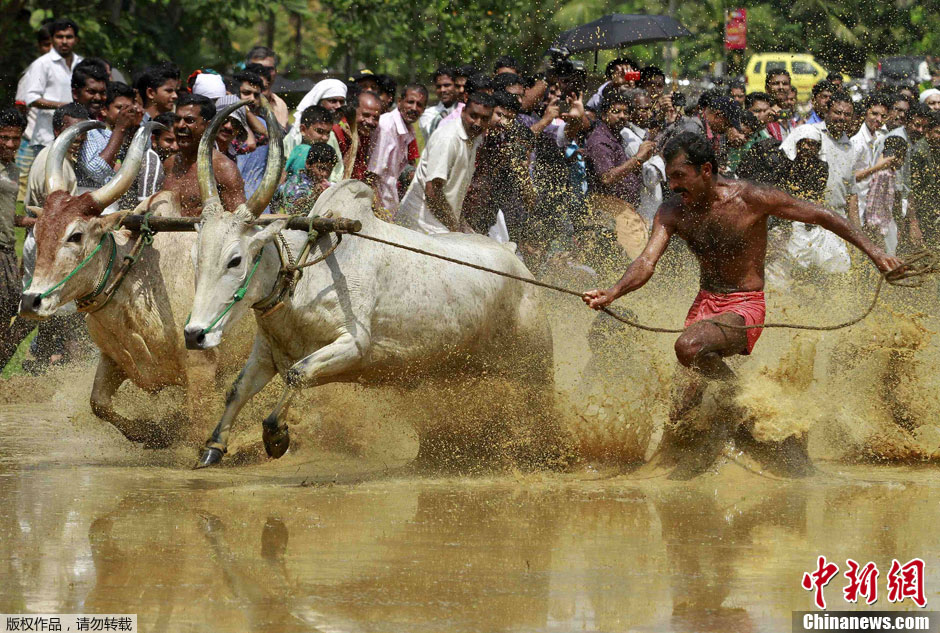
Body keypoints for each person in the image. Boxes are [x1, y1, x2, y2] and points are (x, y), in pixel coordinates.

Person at [582, 131, 901, 478]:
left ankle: (744, 408)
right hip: (703, 305)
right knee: (681, 407)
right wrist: (612, 292)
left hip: (744, 305)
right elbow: (646, 263)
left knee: (688, 346)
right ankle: (679, 467)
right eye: (670, 177)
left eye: (678, 176)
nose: (672, 185)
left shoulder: (751, 198)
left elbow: (822, 216)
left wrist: (878, 253)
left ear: (705, 170)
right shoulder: (672, 210)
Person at [397, 92, 494, 234]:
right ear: (463, 112)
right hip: (421, 225)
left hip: (438, 222)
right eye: (473, 116)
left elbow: (452, 192)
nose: (478, 123)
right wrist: (454, 226)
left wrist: (461, 224)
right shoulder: (448, 139)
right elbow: (433, 190)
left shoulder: (474, 138)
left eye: (484, 119)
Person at [161, 93, 245, 216]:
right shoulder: (170, 163)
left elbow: (238, 220)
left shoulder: (223, 168)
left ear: (208, 125)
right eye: (177, 119)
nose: (180, 125)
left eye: (189, 120)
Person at [0, 109, 34, 371]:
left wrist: (31, 222)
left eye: (15, 138)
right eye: (4, 137)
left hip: (8, 248)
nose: (10, 144)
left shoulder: (13, 169)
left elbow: (8, 214)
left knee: (13, 305)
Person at [21, 19, 83, 152]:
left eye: (69, 37)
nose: (64, 41)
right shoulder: (42, 64)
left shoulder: (81, 63)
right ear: (53, 39)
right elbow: (31, 99)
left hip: (77, 137)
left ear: (76, 40)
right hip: (46, 137)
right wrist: (65, 107)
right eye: (60, 37)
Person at [366, 84, 427, 215]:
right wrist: (378, 212)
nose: (414, 108)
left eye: (419, 105)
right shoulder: (387, 127)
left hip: (388, 206)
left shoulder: (408, 131)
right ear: (400, 102)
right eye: (410, 102)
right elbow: (373, 175)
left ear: (424, 109)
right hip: (376, 207)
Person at [284, 77, 347, 176]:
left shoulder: (331, 135)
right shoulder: (294, 135)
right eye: (333, 101)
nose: (338, 106)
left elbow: (337, 170)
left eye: (341, 102)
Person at [852, 93, 892, 225]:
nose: (878, 119)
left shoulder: (879, 136)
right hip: (855, 206)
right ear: (866, 113)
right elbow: (850, 178)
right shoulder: (856, 142)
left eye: (883, 116)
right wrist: (878, 167)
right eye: (874, 114)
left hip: (870, 206)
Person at [865, 136, 907, 254]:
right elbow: (873, 205)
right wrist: (877, 233)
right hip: (880, 227)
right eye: (901, 157)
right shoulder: (883, 174)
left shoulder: (891, 172)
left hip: (887, 222)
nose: (902, 162)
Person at [272, 142, 337, 212]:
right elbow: (294, 210)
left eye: (329, 170)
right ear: (308, 164)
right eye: (321, 168)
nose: (325, 174)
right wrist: (315, 196)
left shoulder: (319, 184)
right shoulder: (295, 185)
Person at [333, 90, 382, 181]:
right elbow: (336, 174)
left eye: (375, 118)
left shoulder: (367, 135)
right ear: (353, 111)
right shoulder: (337, 132)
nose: (370, 122)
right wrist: (354, 145)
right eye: (366, 115)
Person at [908, 111, 940, 249]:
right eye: (938, 132)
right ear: (928, 131)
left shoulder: (936, 148)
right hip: (922, 214)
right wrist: (914, 223)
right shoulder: (919, 152)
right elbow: (911, 190)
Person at [284, 105, 335, 177]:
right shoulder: (303, 151)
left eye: (328, 133)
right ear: (303, 129)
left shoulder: (325, 150)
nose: (325, 138)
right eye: (320, 131)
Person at [245, 46, 289, 128]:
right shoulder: (237, 101)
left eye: (269, 69)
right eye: (258, 69)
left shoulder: (280, 104)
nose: (264, 74)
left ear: (275, 72)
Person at [419, 66, 459, 141]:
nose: (442, 90)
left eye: (447, 85)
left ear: (456, 86)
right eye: (438, 87)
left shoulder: (465, 110)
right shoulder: (428, 115)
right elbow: (437, 136)